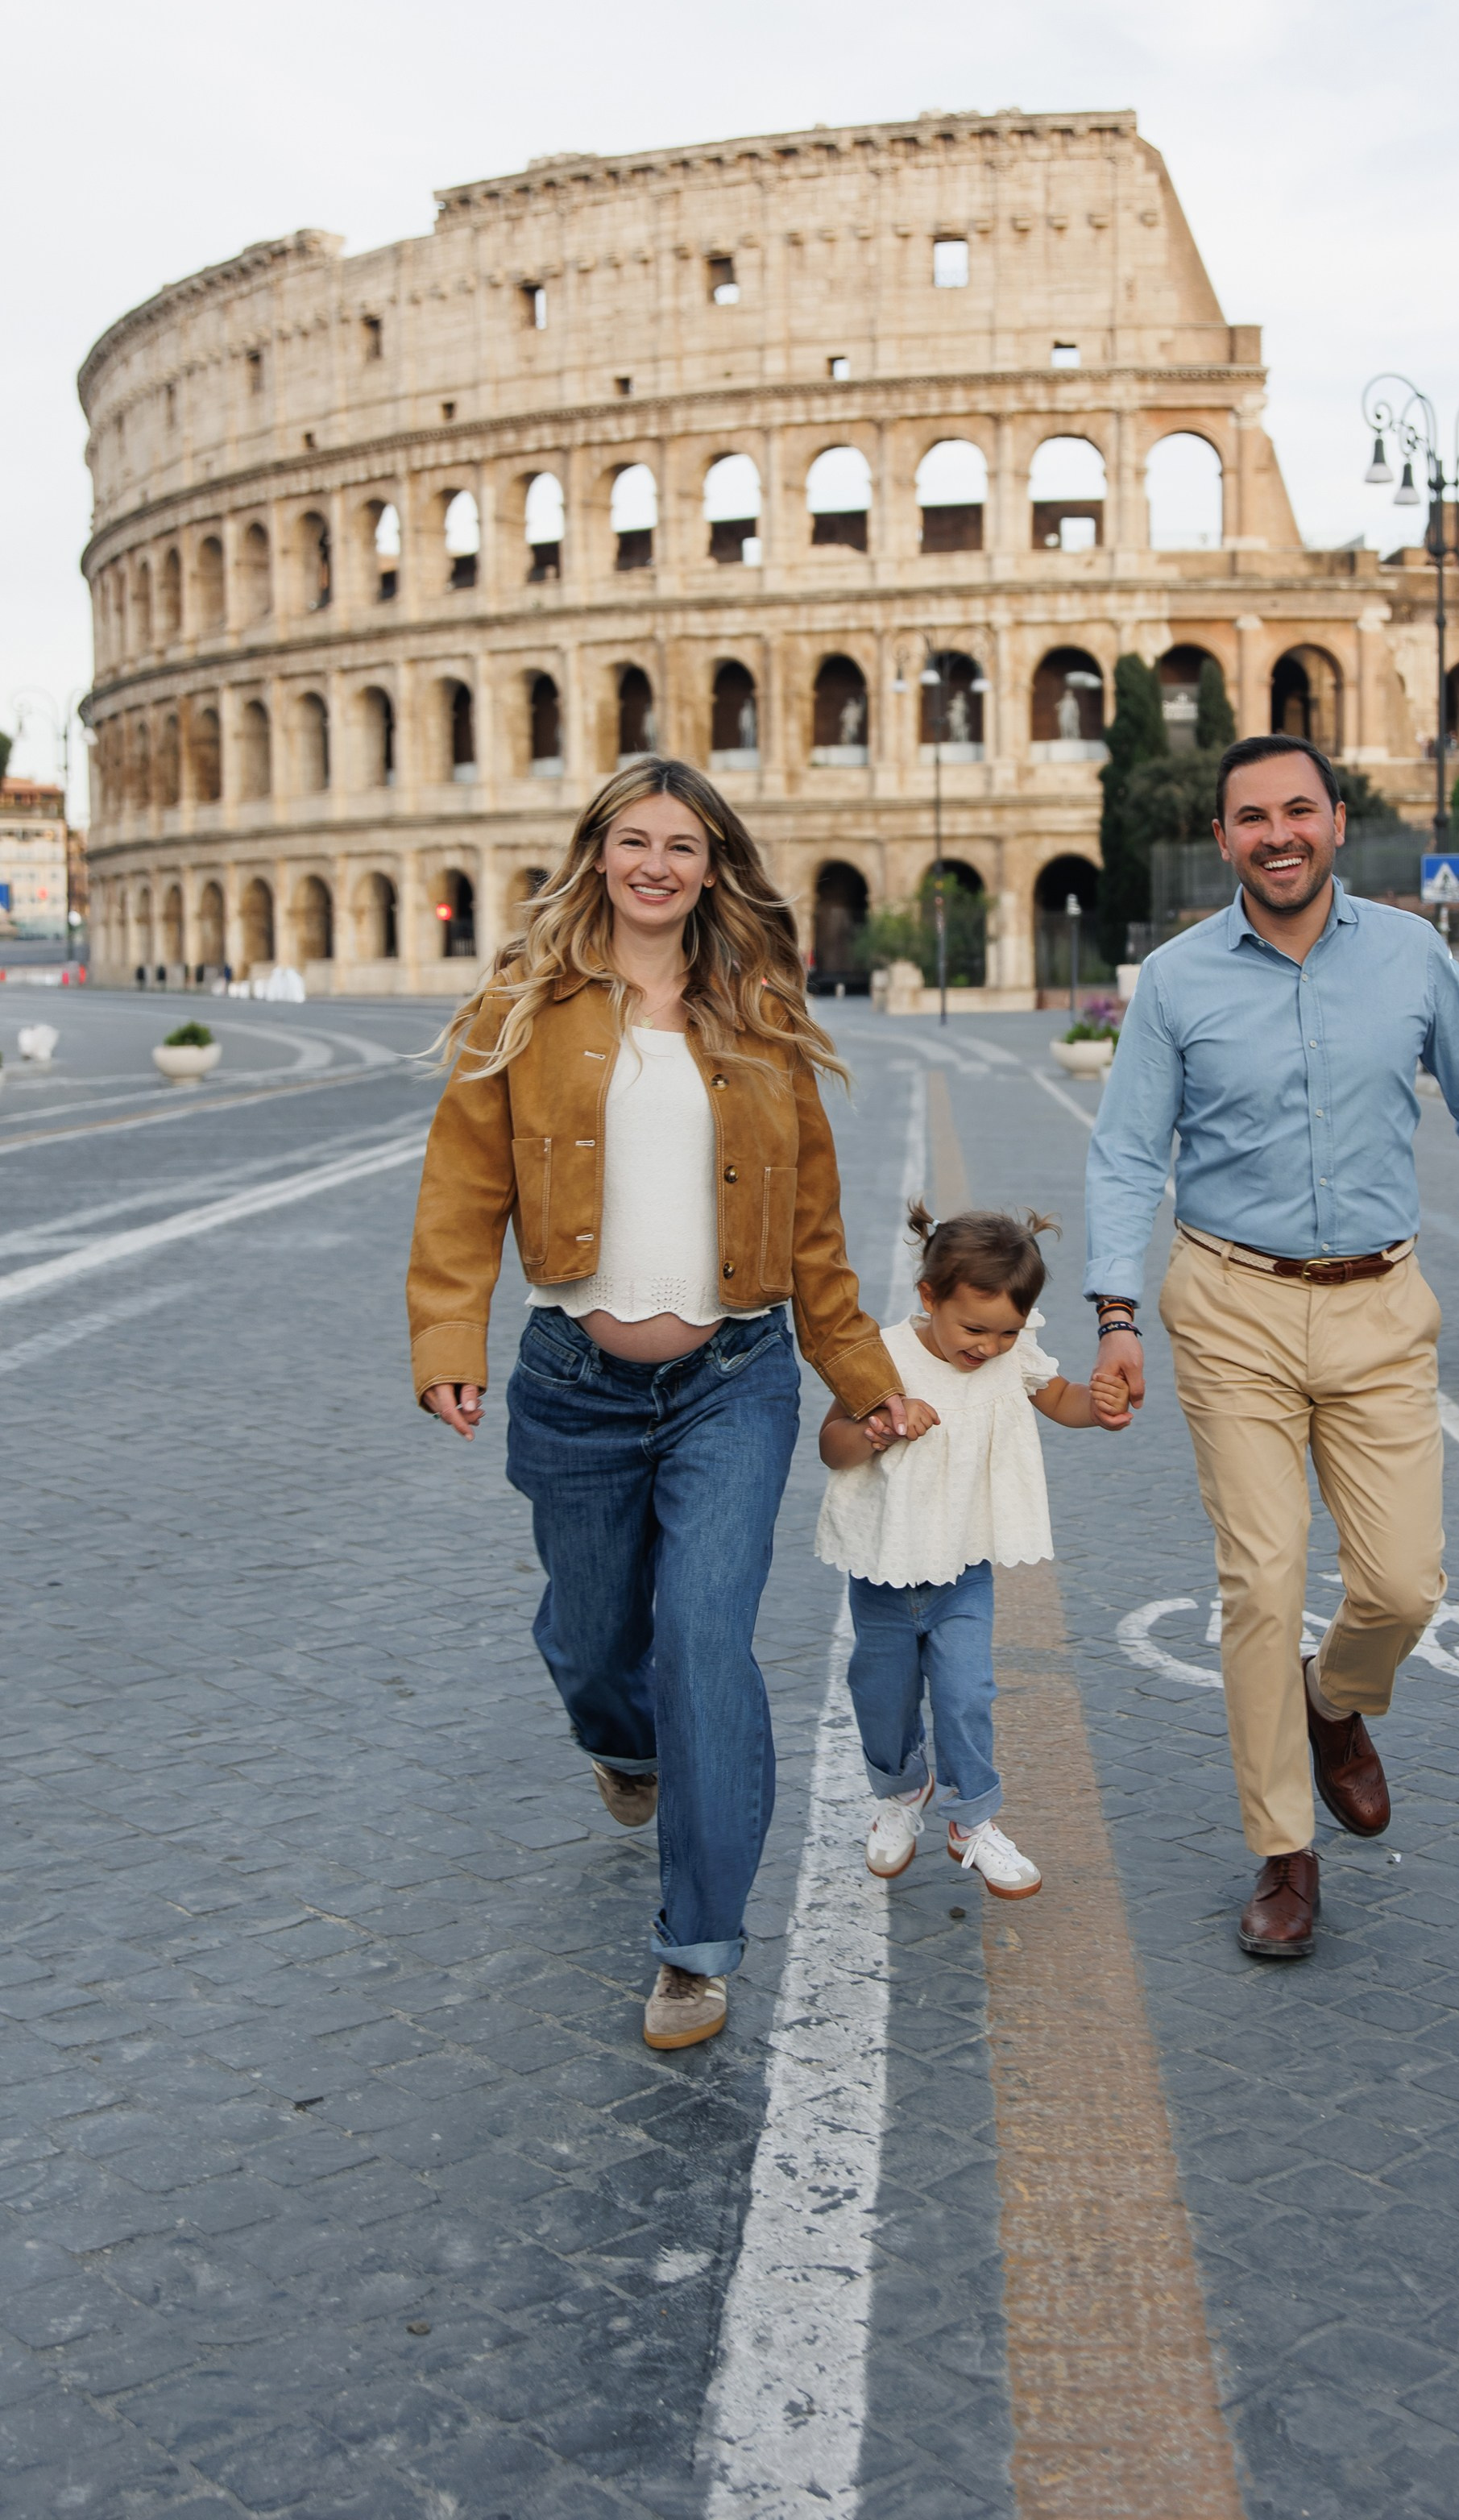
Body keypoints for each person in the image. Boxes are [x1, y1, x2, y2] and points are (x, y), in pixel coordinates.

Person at [406, 758, 916, 2053]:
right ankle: (617, 1742)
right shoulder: (520, 1003)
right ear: (597, 854)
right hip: (573, 1385)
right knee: (591, 1644)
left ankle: (696, 1944)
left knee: (703, 1643)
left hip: (729, 1384)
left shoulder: (758, 1007)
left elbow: (812, 1229)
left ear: (712, 866)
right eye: (634, 841)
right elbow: (464, 1191)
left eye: (681, 846)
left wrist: (866, 1379)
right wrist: (446, 1336)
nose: (656, 865)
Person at [1085, 735, 1459, 1960]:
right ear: (1223, 840)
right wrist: (1115, 1312)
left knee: (1405, 1584)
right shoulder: (1180, 980)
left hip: (1378, 1308)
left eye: (1298, 809)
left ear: (1338, 821)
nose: (1278, 833)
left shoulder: (1410, 952)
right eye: (1252, 816)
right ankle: (1284, 1852)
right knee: (1261, 1582)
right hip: (1232, 1305)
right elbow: (1128, 1153)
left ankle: (1336, 1702)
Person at [814, 1204, 1132, 1898]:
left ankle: (973, 1818)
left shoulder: (1014, 1354)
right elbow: (829, 1446)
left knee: (965, 1694)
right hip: (885, 1567)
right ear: (929, 1298)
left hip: (963, 1569)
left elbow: (1062, 1399)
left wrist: (1100, 1404)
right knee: (881, 1692)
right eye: (975, 1329)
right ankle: (902, 1790)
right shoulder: (882, 1355)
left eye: (1008, 1331)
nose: (990, 1347)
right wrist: (878, 1428)